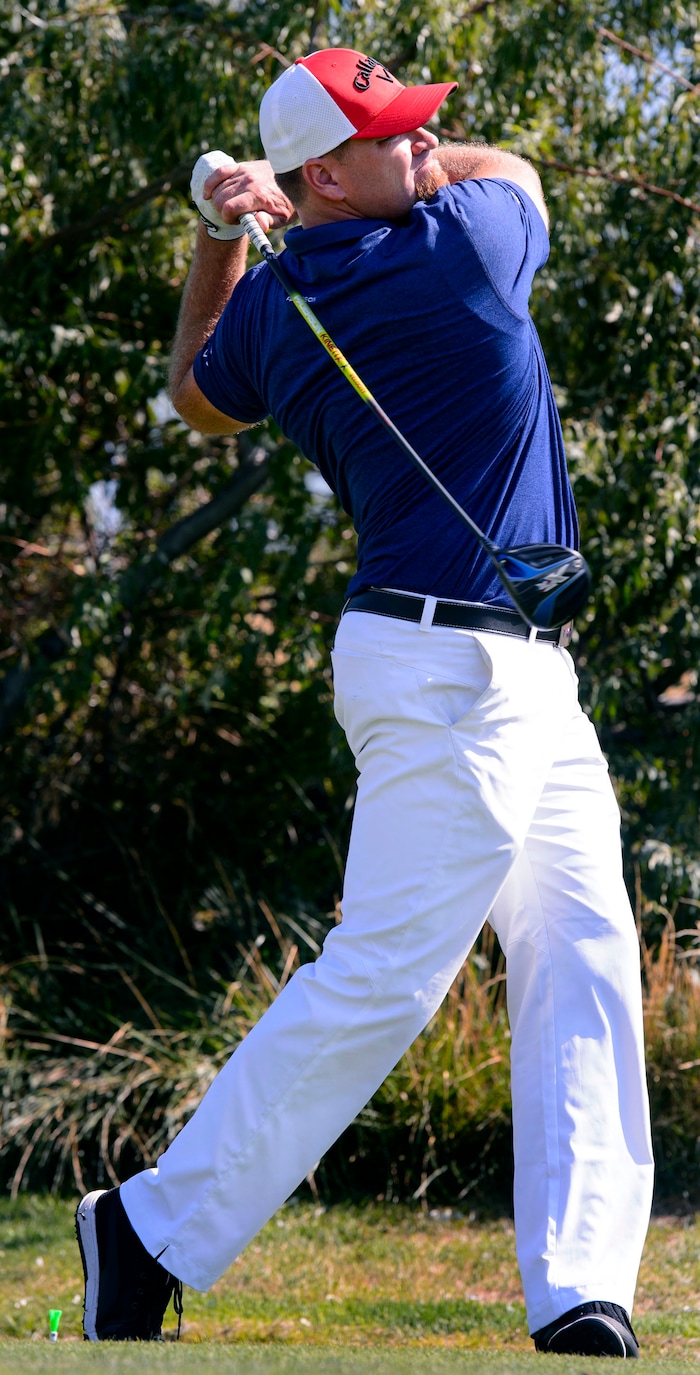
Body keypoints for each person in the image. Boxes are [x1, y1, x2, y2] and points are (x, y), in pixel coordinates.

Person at [75, 47, 654, 1354]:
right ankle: (149, 1229)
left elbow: (194, 394)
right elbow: (520, 173)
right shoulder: (465, 241)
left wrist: (222, 230)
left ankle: (580, 1288)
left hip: (497, 671)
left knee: (586, 950)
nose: (425, 148)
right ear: (330, 172)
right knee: (388, 974)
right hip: (454, 670)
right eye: (393, 135)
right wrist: (289, 199)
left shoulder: (282, 308)